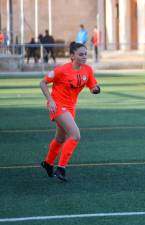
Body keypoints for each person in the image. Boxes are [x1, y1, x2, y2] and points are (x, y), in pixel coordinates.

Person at [39, 42, 101, 182]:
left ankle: (48, 163)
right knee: (75, 135)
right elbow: (42, 83)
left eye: (85, 54)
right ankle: (61, 168)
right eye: (80, 54)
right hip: (58, 106)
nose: (84, 57)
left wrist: (96, 89)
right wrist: (50, 101)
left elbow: (92, 86)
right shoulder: (61, 70)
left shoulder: (88, 70)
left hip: (71, 108)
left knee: (60, 139)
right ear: (72, 56)